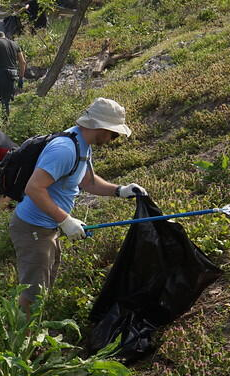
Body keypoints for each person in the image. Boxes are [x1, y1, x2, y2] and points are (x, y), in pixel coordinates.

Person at [9, 97, 148, 314]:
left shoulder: (82, 144)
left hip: (48, 227)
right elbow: (34, 188)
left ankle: (32, 330)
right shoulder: (65, 149)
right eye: (114, 133)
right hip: (33, 229)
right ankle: (22, 342)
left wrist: (120, 190)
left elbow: (87, 181)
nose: (114, 138)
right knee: (33, 292)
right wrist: (65, 220)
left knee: (44, 284)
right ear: (101, 127)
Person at [0, 31, 27, 116]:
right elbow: (23, 63)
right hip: (12, 76)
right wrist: (21, 78)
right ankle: (5, 123)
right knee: (6, 102)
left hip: (1, 74)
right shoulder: (15, 44)